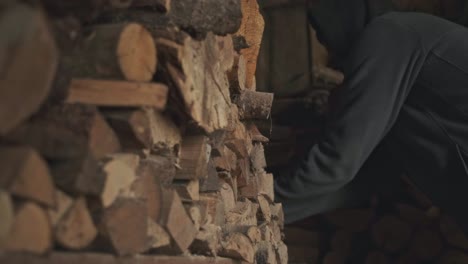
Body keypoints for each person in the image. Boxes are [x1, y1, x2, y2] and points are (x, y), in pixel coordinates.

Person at [274, 0, 468, 231]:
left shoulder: (390, 33)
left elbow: (340, 159)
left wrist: (266, 203)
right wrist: (272, 211)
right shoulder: (400, 85)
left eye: (324, 32)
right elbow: (367, 178)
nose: (326, 45)